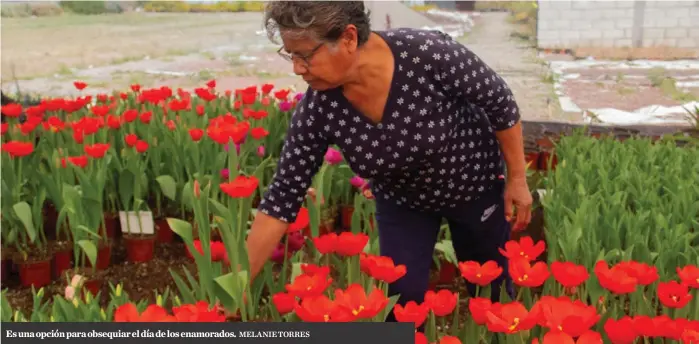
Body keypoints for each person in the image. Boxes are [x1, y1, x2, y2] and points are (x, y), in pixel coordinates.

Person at [246, 1, 533, 316]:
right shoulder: (319, 109)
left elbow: (500, 103)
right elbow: (282, 197)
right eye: (290, 55)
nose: (296, 68)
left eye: (305, 55)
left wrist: (517, 179)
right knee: (401, 299)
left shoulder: (427, 55)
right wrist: (239, 285)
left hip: (472, 185)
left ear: (349, 38)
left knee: (492, 292)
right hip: (403, 201)